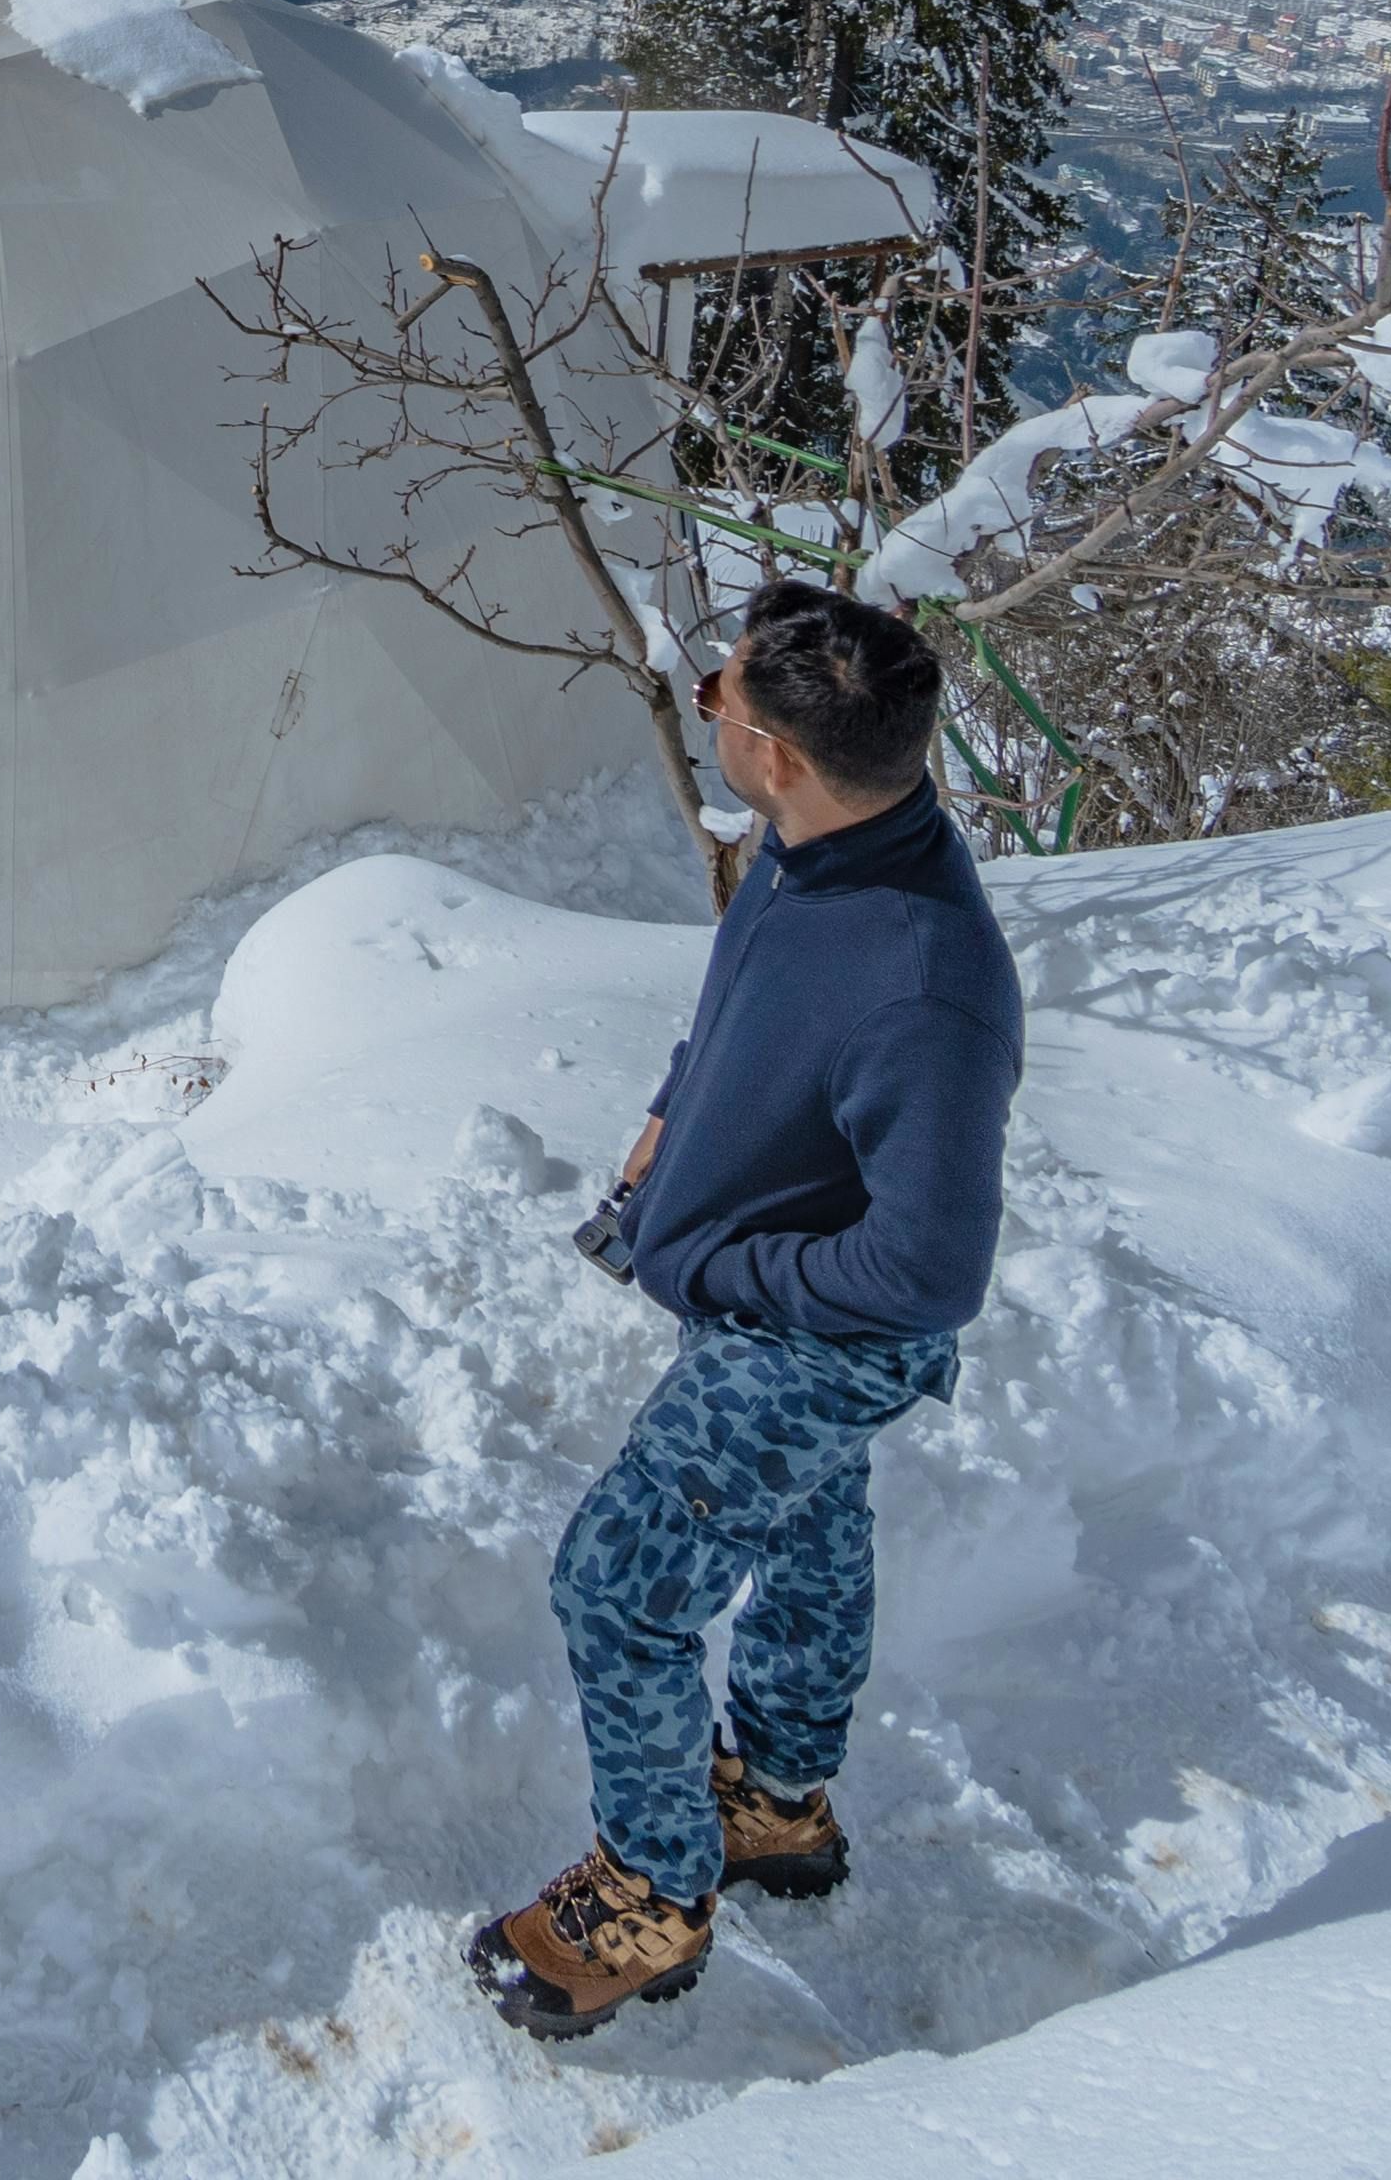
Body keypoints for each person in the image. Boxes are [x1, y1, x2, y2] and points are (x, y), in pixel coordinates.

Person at [472, 575, 1023, 2043]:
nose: (707, 698)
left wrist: (719, 1267)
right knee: (809, 1536)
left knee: (620, 1586)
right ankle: (774, 1802)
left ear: (775, 751)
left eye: (724, 695)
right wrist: (676, 1111)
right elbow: (746, 1005)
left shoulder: (927, 986)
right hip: (770, 1276)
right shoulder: (818, 841)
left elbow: (925, 1278)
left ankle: (655, 1893)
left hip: (815, 1332)